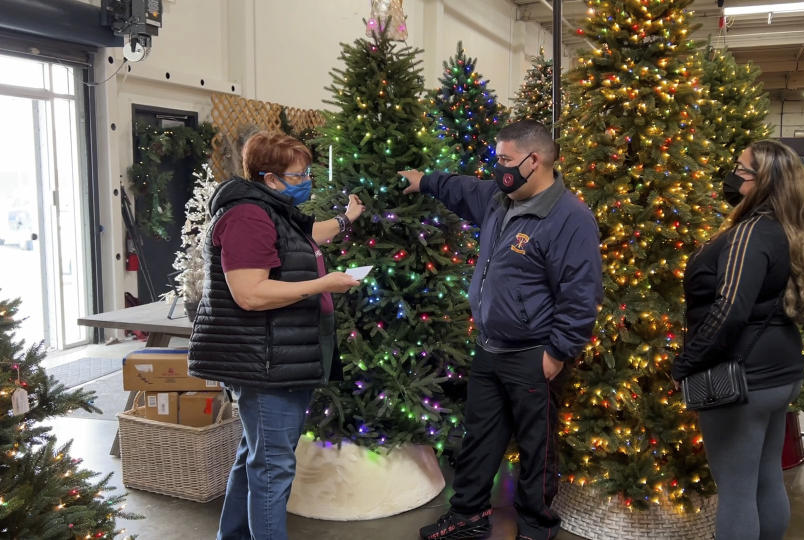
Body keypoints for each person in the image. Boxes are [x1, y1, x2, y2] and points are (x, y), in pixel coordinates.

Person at [402, 120, 603, 540]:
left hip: (534, 354)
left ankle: (535, 527)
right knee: (480, 436)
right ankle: (468, 516)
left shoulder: (571, 219)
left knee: (537, 448)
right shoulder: (500, 199)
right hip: (490, 347)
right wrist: (425, 181)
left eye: (505, 160)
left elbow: (580, 295)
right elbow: (462, 189)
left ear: (535, 161)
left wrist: (557, 352)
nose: (499, 168)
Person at [188, 131, 365, 540]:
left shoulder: (272, 209)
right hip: (265, 362)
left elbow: (307, 235)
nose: (306, 182)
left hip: (277, 357)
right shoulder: (247, 216)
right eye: (298, 174)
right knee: (272, 468)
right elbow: (250, 294)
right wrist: (323, 285)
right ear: (269, 178)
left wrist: (345, 220)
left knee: (255, 455)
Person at [672, 140, 804, 540]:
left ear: (762, 183)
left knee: (737, 493)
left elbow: (729, 312)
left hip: (744, 378)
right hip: (779, 373)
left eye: (741, 170)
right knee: (765, 479)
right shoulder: (787, 228)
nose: (733, 176)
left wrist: (686, 364)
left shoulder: (752, 233)